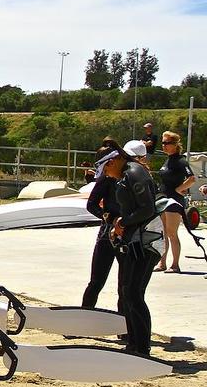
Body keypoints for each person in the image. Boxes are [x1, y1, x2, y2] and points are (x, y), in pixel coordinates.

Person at [104, 144, 164, 357]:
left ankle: (142, 347)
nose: (106, 175)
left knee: (134, 293)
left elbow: (147, 208)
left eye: (105, 169)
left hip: (148, 241)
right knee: (126, 291)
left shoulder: (135, 173)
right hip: (136, 241)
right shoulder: (128, 173)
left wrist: (124, 222)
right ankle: (134, 343)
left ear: (113, 161)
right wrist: (120, 225)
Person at [81, 139, 124, 311]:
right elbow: (91, 204)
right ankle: (84, 316)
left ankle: (125, 323)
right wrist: (109, 218)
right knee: (97, 280)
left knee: (125, 285)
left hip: (128, 234)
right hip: (108, 233)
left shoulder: (130, 176)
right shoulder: (106, 180)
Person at [156, 131, 195, 273]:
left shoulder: (180, 161)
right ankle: (162, 263)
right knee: (164, 233)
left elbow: (191, 178)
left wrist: (180, 189)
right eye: (163, 143)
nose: (164, 146)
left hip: (174, 201)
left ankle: (175, 264)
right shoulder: (168, 160)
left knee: (172, 233)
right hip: (163, 200)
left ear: (174, 145)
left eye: (167, 143)